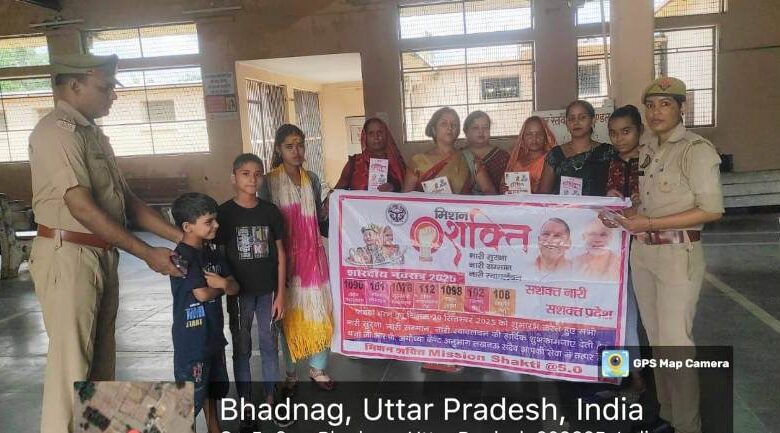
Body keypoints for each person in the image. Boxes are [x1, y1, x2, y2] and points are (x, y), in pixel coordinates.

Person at [27, 54, 184, 433]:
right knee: (71, 369)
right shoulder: (56, 132)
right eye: (105, 87)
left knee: (100, 369)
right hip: (69, 255)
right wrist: (147, 254)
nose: (113, 95)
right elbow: (80, 206)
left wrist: (184, 239)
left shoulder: (92, 134)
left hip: (99, 254)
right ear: (74, 85)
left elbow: (127, 203)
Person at [606, 77, 723, 433]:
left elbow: (712, 210)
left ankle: (687, 425)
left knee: (675, 344)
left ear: (681, 108)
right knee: (657, 341)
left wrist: (650, 222)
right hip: (645, 253)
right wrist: (625, 214)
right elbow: (648, 203)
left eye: (666, 104)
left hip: (676, 254)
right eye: (651, 105)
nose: (656, 112)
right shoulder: (649, 149)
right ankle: (669, 416)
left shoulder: (695, 150)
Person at [215, 154, 291, 430]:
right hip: (239, 295)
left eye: (258, 173)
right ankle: (246, 404)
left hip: (268, 292)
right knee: (242, 348)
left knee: (270, 345)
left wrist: (281, 293)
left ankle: (271, 398)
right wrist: (227, 284)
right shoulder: (224, 214)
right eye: (245, 173)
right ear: (233, 178)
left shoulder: (270, 212)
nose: (252, 179)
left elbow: (281, 254)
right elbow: (220, 255)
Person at [260, 124, 335, 391]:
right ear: (279, 150)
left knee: (320, 311)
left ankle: (318, 368)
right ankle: (290, 373)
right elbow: (264, 222)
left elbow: (317, 219)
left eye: (300, 145)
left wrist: (329, 209)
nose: (296, 151)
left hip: (313, 258)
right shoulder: (268, 182)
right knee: (287, 316)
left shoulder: (311, 179)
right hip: (283, 258)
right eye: (289, 146)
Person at [170, 193, 239, 433]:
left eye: (215, 219)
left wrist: (224, 284)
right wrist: (222, 286)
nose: (216, 225)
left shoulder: (212, 253)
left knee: (213, 387)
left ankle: (214, 427)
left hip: (213, 337)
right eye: (209, 222)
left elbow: (234, 286)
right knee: (191, 396)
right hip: (192, 342)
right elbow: (202, 294)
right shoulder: (180, 256)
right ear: (187, 227)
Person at [592, 104, 647, 404]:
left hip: (647, 248)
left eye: (626, 131)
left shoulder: (652, 160)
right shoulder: (610, 163)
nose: (619, 138)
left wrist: (638, 205)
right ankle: (619, 376)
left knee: (640, 315)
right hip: (615, 249)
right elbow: (605, 202)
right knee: (617, 312)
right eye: (613, 133)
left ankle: (640, 376)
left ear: (640, 131)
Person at [401, 107, 495, 194]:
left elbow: (489, 192)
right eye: (444, 124)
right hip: (427, 208)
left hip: (462, 207)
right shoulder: (418, 161)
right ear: (434, 130)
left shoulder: (470, 158)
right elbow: (406, 198)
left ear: (458, 131)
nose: (450, 128)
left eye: (454, 124)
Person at [538, 100, 614, 196]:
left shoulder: (607, 152)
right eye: (571, 119)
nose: (576, 122)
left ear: (593, 120)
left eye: (582, 117)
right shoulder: (555, 154)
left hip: (598, 206)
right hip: (563, 206)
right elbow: (543, 194)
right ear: (566, 123)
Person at [334, 117, 406, 191]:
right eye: (371, 133)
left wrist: (393, 187)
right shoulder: (354, 163)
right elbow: (337, 192)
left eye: (380, 132)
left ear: (386, 135)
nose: (376, 137)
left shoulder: (397, 163)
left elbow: (407, 191)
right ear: (365, 137)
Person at [502, 116, 557, 193]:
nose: (534, 138)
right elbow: (506, 185)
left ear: (546, 137)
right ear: (523, 138)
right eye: (529, 134)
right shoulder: (517, 163)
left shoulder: (551, 159)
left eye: (539, 134)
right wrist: (505, 188)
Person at [462, 111, 509, 194]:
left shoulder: (503, 157)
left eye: (485, 127)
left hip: (496, 201)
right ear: (466, 131)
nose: (481, 131)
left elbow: (511, 185)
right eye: (475, 128)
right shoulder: (459, 156)